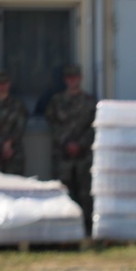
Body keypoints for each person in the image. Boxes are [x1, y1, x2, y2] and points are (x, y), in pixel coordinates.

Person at [45, 64, 97, 234]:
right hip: (63, 154)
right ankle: (64, 231)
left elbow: (94, 126)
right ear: (65, 80)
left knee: (85, 193)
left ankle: (87, 230)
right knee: (64, 191)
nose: (72, 80)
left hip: (83, 155)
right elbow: (52, 125)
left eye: (75, 77)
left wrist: (80, 144)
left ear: (80, 78)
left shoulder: (89, 101)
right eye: (69, 77)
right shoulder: (56, 101)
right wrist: (66, 143)